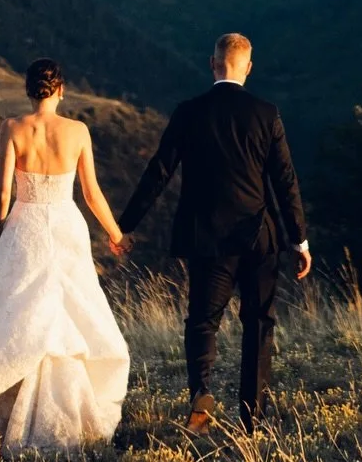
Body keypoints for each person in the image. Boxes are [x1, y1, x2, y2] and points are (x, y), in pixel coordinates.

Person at [0, 57, 131, 450]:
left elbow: (3, 191)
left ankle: (1, 414)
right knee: (67, 317)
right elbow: (90, 193)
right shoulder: (78, 131)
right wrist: (116, 234)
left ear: (28, 89)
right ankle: (66, 415)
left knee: (14, 316)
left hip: (25, 225)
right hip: (65, 226)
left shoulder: (13, 128)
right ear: (60, 90)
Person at [118, 31, 310, 432]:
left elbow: (158, 172)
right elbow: (285, 180)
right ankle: (251, 419)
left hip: (207, 237)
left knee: (203, 321)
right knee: (258, 323)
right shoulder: (266, 113)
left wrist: (124, 226)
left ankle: (201, 399)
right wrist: (299, 238)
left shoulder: (189, 112)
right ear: (248, 68)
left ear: (212, 63)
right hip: (259, 236)